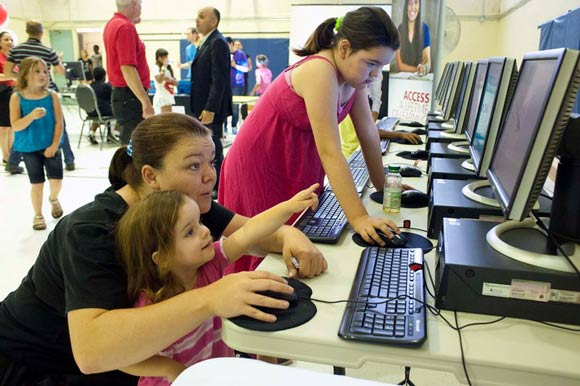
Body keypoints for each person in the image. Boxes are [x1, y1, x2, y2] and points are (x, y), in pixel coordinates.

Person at [0, 113, 326, 385]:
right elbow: (92, 351)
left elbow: (248, 233)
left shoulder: (185, 207)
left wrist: (289, 236)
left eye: (211, 162)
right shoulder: (90, 232)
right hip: (40, 362)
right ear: (150, 176)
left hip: (131, 356)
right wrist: (210, 299)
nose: (210, 176)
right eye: (194, 166)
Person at [219, 6, 404, 274]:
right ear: (343, 48)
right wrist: (359, 218)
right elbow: (330, 151)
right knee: (261, 249)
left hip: (292, 161)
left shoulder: (353, 80)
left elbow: (368, 135)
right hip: (260, 165)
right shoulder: (320, 70)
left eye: (381, 67)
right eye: (371, 64)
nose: (375, 75)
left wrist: (384, 186)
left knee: (296, 237)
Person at [116, 184, 318, 385]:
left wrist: (288, 207)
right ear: (163, 258)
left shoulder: (210, 264)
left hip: (217, 375)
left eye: (200, 223)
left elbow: (249, 231)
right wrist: (171, 369)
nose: (204, 232)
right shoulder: (151, 303)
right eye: (189, 232)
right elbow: (122, 358)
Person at [3, 19, 76, 171]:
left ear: (27, 32)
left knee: (23, 127)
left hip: (24, 93)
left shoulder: (16, 51)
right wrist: (59, 62)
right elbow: (60, 71)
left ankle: (13, 162)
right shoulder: (48, 51)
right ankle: (69, 159)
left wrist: (23, 80)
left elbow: (8, 72)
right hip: (46, 92)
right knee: (59, 123)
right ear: (41, 33)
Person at [9, 57, 64, 231]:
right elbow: (16, 125)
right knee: (37, 182)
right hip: (29, 147)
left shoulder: (52, 96)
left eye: (45, 71)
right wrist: (31, 116)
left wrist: (55, 144)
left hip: (50, 145)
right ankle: (38, 214)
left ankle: (54, 199)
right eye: (37, 71)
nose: (43, 75)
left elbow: (59, 123)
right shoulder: (17, 98)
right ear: (25, 76)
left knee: (56, 181)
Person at [190, 6, 231, 194]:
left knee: (212, 147)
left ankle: (218, 184)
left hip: (210, 108)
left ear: (213, 21)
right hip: (202, 105)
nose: (196, 20)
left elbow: (219, 78)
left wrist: (210, 108)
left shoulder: (218, 42)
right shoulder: (206, 42)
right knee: (207, 145)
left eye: (201, 17)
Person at [104, 0, 154, 145]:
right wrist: (145, 101)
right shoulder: (125, 27)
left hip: (123, 95)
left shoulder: (113, 24)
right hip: (130, 96)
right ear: (134, 4)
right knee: (134, 145)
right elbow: (127, 68)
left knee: (129, 141)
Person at [0, 30, 23, 174]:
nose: (10, 42)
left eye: (11, 40)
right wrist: (12, 77)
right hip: (1, 93)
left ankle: (10, 154)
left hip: (12, 93)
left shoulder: (12, 58)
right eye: (6, 40)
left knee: (11, 126)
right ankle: (6, 155)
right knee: (3, 127)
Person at [396, 0, 431, 76]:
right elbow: (400, 66)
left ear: (419, 6)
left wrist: (424, 68)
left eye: (416, 2)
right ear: (406, 7)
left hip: (419, 80)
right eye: (410, 3)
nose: (413, 7)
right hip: (402, 79)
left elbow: (428, 61)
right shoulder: (400, 29)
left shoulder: (425, 29)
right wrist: (417, 69)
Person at [87, 66, 116, 145]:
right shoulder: (106, 87)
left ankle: (92, 133)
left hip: (90, 112)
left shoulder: (89, 86)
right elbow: (113, 99)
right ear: (104, 76)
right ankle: (115, 133)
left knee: (99, 111)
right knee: (118, 110)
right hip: (102, 112)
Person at [226, 36, 248, 133]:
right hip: (225, 85)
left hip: (237, 85)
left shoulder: (241, 54)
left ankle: (234, 126)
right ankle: (224, 127)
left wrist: (235, 65)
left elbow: (246, 69)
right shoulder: (223, 54)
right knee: (224, 106)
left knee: (235, 107)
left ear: (231, 44)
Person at [153, 48, 176, 113]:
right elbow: (159, 80)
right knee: (165, 116)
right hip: (161, 94)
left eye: (166, 57)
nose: (165, 59)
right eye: (163, 57)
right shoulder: (156, 67)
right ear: (159, 57)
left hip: (168, 93)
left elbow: (175, 82)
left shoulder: (169, 68)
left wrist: (171, 80)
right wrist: (164, 67)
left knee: (169, 115)